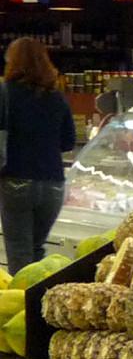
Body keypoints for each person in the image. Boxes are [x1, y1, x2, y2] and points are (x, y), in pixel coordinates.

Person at [0, 38, 77, 272]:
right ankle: (37, 304)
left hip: (16, 180)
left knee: (19, 252)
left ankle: (23, 306)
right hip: (53, 184)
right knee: (36, 251)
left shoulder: (5, 93)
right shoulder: (57, 98)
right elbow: (68, 143)